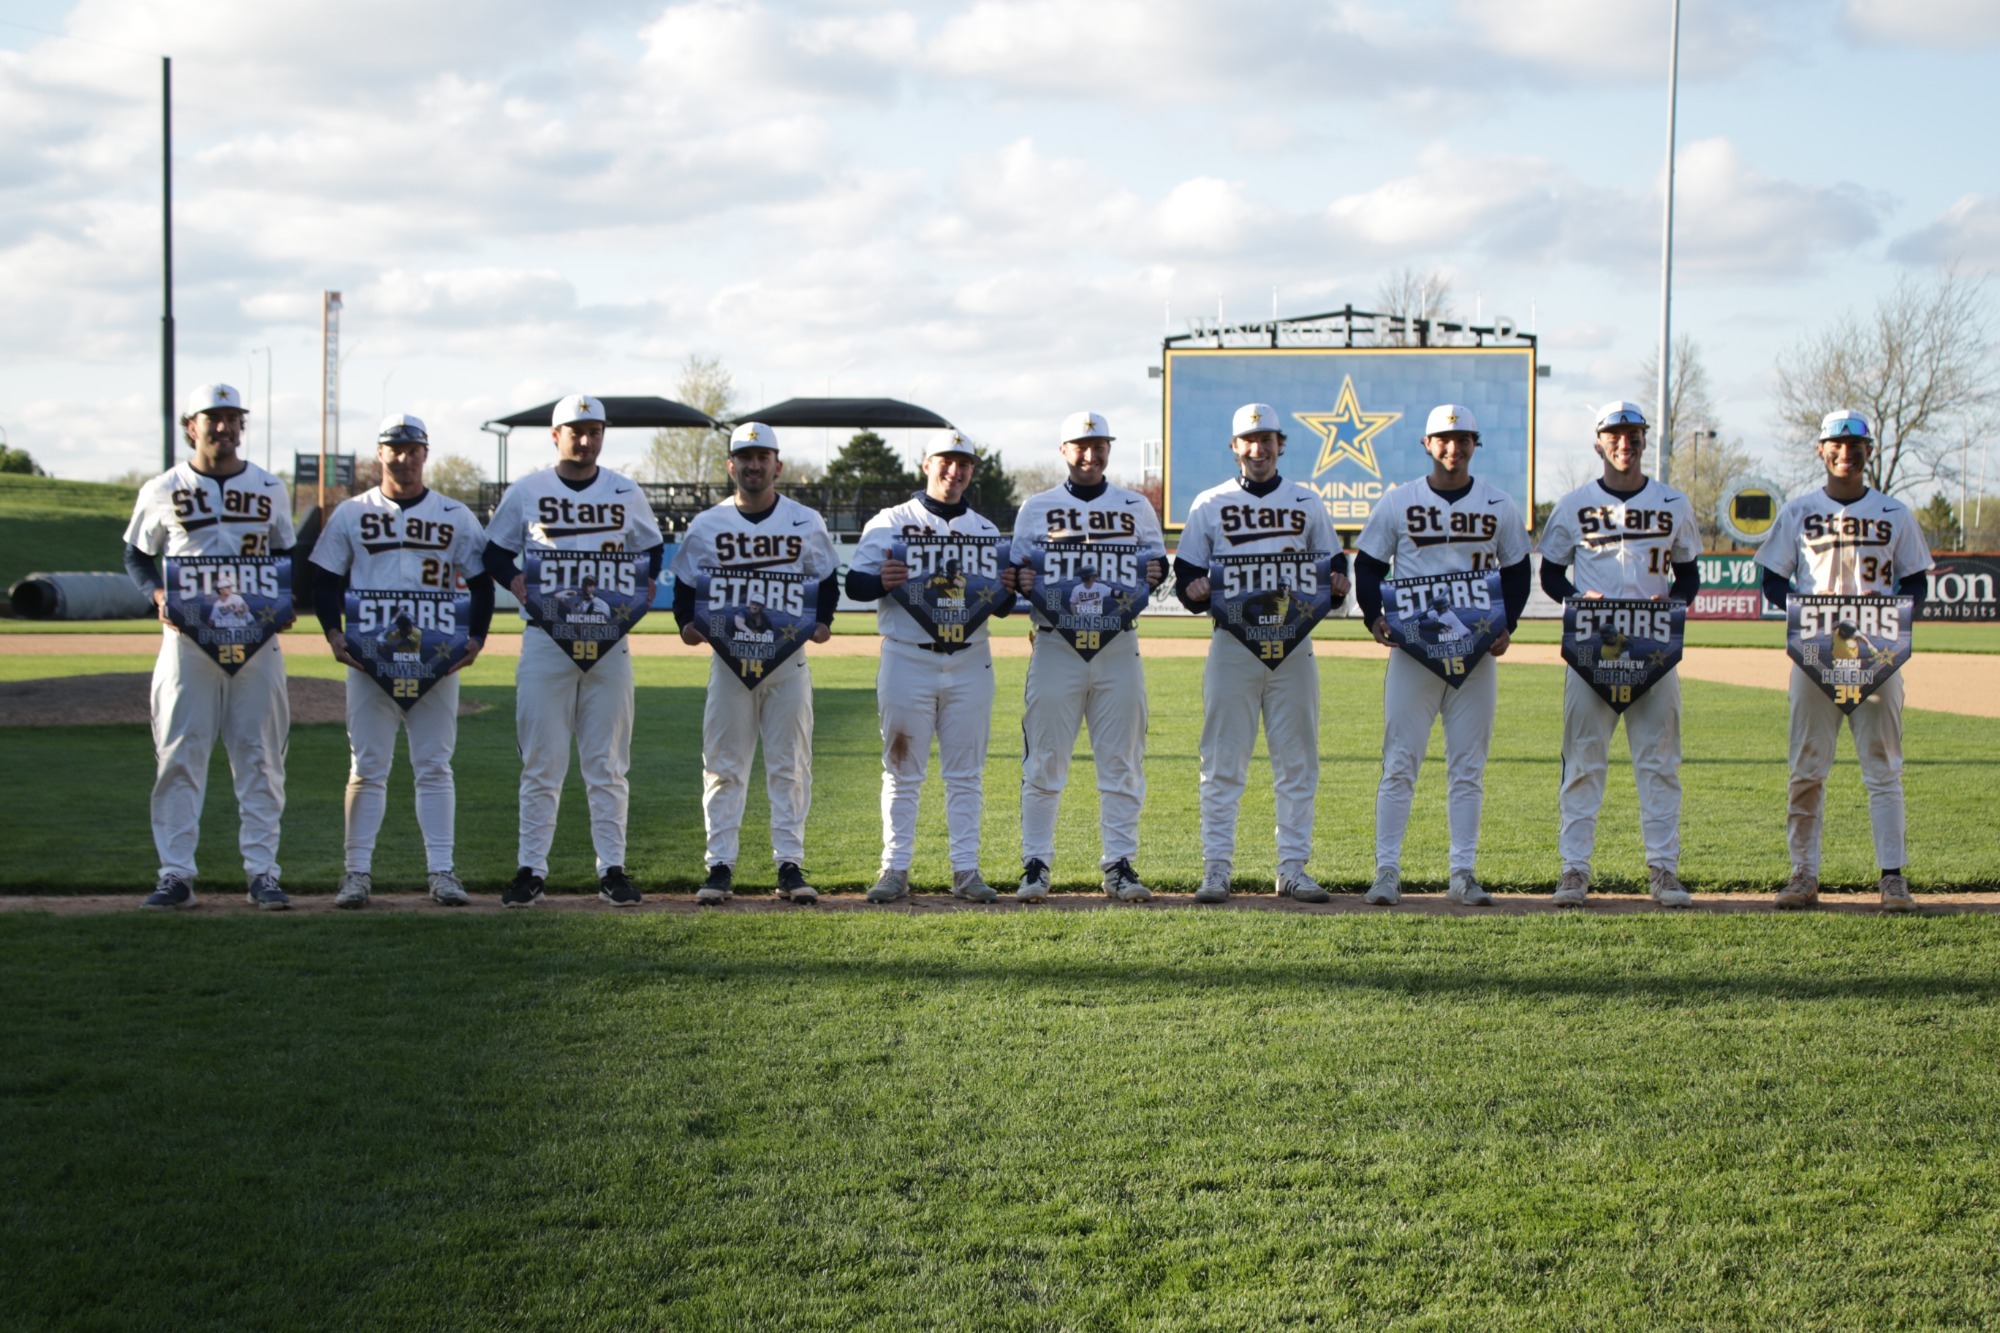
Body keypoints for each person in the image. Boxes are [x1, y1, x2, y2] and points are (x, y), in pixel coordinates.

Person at [482, 394, 664, 908]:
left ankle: (612, 870)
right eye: (576, 431)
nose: (585, 440)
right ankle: (530, 870)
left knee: (607, 764)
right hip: (545, 638)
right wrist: (514, 580)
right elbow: (494, 551)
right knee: (542, 762)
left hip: (609, 640)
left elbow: (650, 548)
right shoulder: (528, 489)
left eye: (594, 431)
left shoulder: (625, 490)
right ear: (555, 435)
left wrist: (643, 582)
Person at [122, 382, 297, 910]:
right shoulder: (163, 487)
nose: (223, 427)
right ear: (191, 426)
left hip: (257, 641)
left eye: (232, 417)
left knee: (260, 757)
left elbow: (286, 554)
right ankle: (175, 875)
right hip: (186, 642)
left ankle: (263, 873)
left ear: (242, 425)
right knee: (180, 755)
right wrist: (156, 594)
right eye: (212, 417)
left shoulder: (269, 486)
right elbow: (137, 555)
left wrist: (283, 600)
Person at [310, 413, 494, 909]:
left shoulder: (454, 514)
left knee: (434, 765)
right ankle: (356, 874)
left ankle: (442, 871)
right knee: (366, 766)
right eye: (395, 448)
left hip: (435, 658)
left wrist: (476, 637)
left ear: (425, 454)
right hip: (370, 659)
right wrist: (333, 633)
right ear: (380, 453)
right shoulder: (352, 513)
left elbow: (481, 582)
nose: (404, 457)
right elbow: (324, 580)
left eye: (413, 449)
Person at [1354, 403, 1532, 907]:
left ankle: (1462, 872)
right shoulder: (1399, 501)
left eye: (1463, 439)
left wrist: (1508, 624)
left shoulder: (1498, 504)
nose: (1453, 448)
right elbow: (1368, 565)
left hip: (1475, 652)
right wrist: (1373, 616)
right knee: (1399, 763)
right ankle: (1387, 871)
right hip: (1414, 651)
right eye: (1444, 439)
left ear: (1475, 443)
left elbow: (1517, 571)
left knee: (1468, 767)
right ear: (1427, 444)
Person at [1173, 402, 1349, 904]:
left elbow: (1334, 571)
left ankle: (1292, 868)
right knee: (1221, 762)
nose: (1258, 448)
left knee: (1297, 762)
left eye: (1267, 439)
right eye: (1249, 440)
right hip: (1233, 645)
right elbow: (1186, 579)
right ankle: (1216, 868)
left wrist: (1338, 585)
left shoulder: (1307, 502)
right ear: (1235, 447)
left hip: (1294, 646)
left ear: (1280, 445)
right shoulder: (1210, 502)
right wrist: (1196, 591)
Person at [1757, 409, 1933, 912]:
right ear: (1821, 450)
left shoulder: (1894, 512)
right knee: (1806, 768)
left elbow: (1916, 582)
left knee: (1883, 768)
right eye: (1835, 445)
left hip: (1877, 654)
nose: (1845, 453)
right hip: (1814, 652)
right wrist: (1804, 608)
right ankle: (1803, 874)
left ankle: (1892, 877)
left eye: (1855, 446)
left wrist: (1894, 613)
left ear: (1868, 452)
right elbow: (1772, 580)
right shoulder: (1798, 511)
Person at [1537, 401, 1702, 908]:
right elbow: (1550, 573)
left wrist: (1674, 603)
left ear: (1645, 439)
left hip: (1653, 647)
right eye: (1614, 435)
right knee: (1583, 760)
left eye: (1633, 434)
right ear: (1599, 442)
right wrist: (1576, 598)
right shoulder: (1574, 504)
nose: (1624, 443)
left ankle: (1663, 870)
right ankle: (1574, 870)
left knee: (1660, 762)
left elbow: (1689, 574)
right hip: (1592, 647)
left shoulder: (1673, 502)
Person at [846, 430, 1022, 903]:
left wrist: (1009, 587)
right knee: (901, 769)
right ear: (926, 464)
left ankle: (966, 870)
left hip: (970, 658)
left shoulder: (985, 530)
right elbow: (855, 585)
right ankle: (894, 868)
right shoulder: (891, 520)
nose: (954, 470)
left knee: (966, 773)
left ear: (971, 471)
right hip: (908, 654)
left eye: (963, 463)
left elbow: (1002, 606)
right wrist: (881, 580)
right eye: (946, 460)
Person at [669, 421, 839, 906]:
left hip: (788, 663)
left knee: (790, 766)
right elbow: (685, 587)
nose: (754, 465)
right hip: (729, 662)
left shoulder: (804, 520)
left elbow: (827, 580)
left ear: (777, 465)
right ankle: (719, 865)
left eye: (762, 457)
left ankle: (789, 865)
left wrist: (823, 621)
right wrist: (686, 624)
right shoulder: (708, 523)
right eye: (745, 457)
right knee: (722, 765)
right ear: (731, 465)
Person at [1009, 411, 1167, 903]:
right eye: (1080, 445)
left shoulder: (1135, 505)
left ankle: (1118, 865)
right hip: (1055, 642)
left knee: (1122, 761)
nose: (1090, 454)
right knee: (1044, 759)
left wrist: (1156, 574)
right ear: (1064, 451)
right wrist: (1024, 582)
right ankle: (1036, 864)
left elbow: (1156, 567)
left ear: (1108, 450)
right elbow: (1017, 573)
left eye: (1098, 445)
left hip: (1118, 643)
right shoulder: (1037, 507)